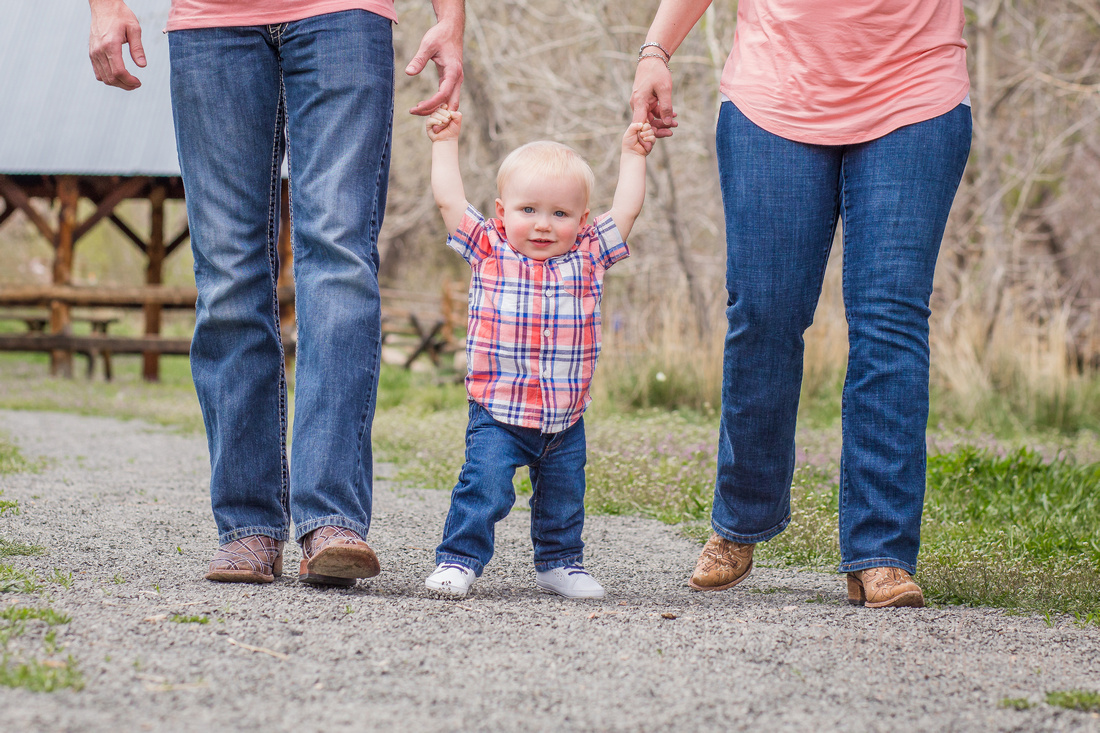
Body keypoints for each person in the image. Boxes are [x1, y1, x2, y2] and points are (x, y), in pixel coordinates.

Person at [88, 0, 465, 585]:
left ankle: (331, 520)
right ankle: (248, 527)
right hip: (211, 22)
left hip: (343, 14)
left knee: (338, 259)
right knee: (228, 272)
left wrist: (451, 17)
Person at [631, 1, 972, 608]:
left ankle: (882, 551)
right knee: (764, 311)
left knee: (890, 319)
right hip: (773, 95)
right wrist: (656, 51)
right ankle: (739, 519)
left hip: (916, 94)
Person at [421, 106, 656, 598]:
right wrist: (445, 143)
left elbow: (628, 210)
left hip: (565, 415)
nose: (543, 224)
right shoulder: (489, 247)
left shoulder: (589, 255)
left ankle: (560, 563)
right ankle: (459, 560)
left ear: (582, 220)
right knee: (483, 487)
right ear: (502, 210)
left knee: (564, 497)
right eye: (528, 210)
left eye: (560, 213)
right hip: (498, 409)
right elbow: (448, 201)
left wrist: (632, 156)